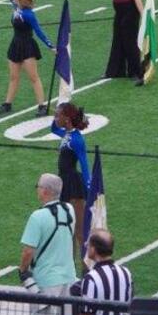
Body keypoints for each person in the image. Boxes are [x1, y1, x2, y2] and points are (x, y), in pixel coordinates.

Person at [19, 173, 76, 315]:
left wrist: (23, 270)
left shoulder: (37, 217)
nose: (37, 190)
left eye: (38, 186)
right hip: (68, 275)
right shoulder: (69, 210)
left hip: (45, 279)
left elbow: (28, 251)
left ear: (45, 190)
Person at [0, 0, 55, 117]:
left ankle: (42, 106)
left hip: (27, 45)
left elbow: (39, 32)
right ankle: (8, 103)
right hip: (15, 44)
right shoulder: (15, 7)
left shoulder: (29, 15)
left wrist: (51, 46)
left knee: (33, 77)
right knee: (13, 77)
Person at [50, 102, 91, 253]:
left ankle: (86, 270)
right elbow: (53, 128)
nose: (55, 118)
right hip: (64, 183)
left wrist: (90, 188)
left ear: (66, 119)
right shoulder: (66, 134)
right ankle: (71, 271)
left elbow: (84, 164)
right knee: (68, 231)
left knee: (79, 231)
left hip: (74, 185)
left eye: (57, 115)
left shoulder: (77, 139)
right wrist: (56, 114)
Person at [104, 0, 144, 82]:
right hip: (120, 12)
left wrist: (143, 14)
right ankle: (116, 70)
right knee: (118, 39)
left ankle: (135, 72)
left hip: (129, 11)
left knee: (129, 41)